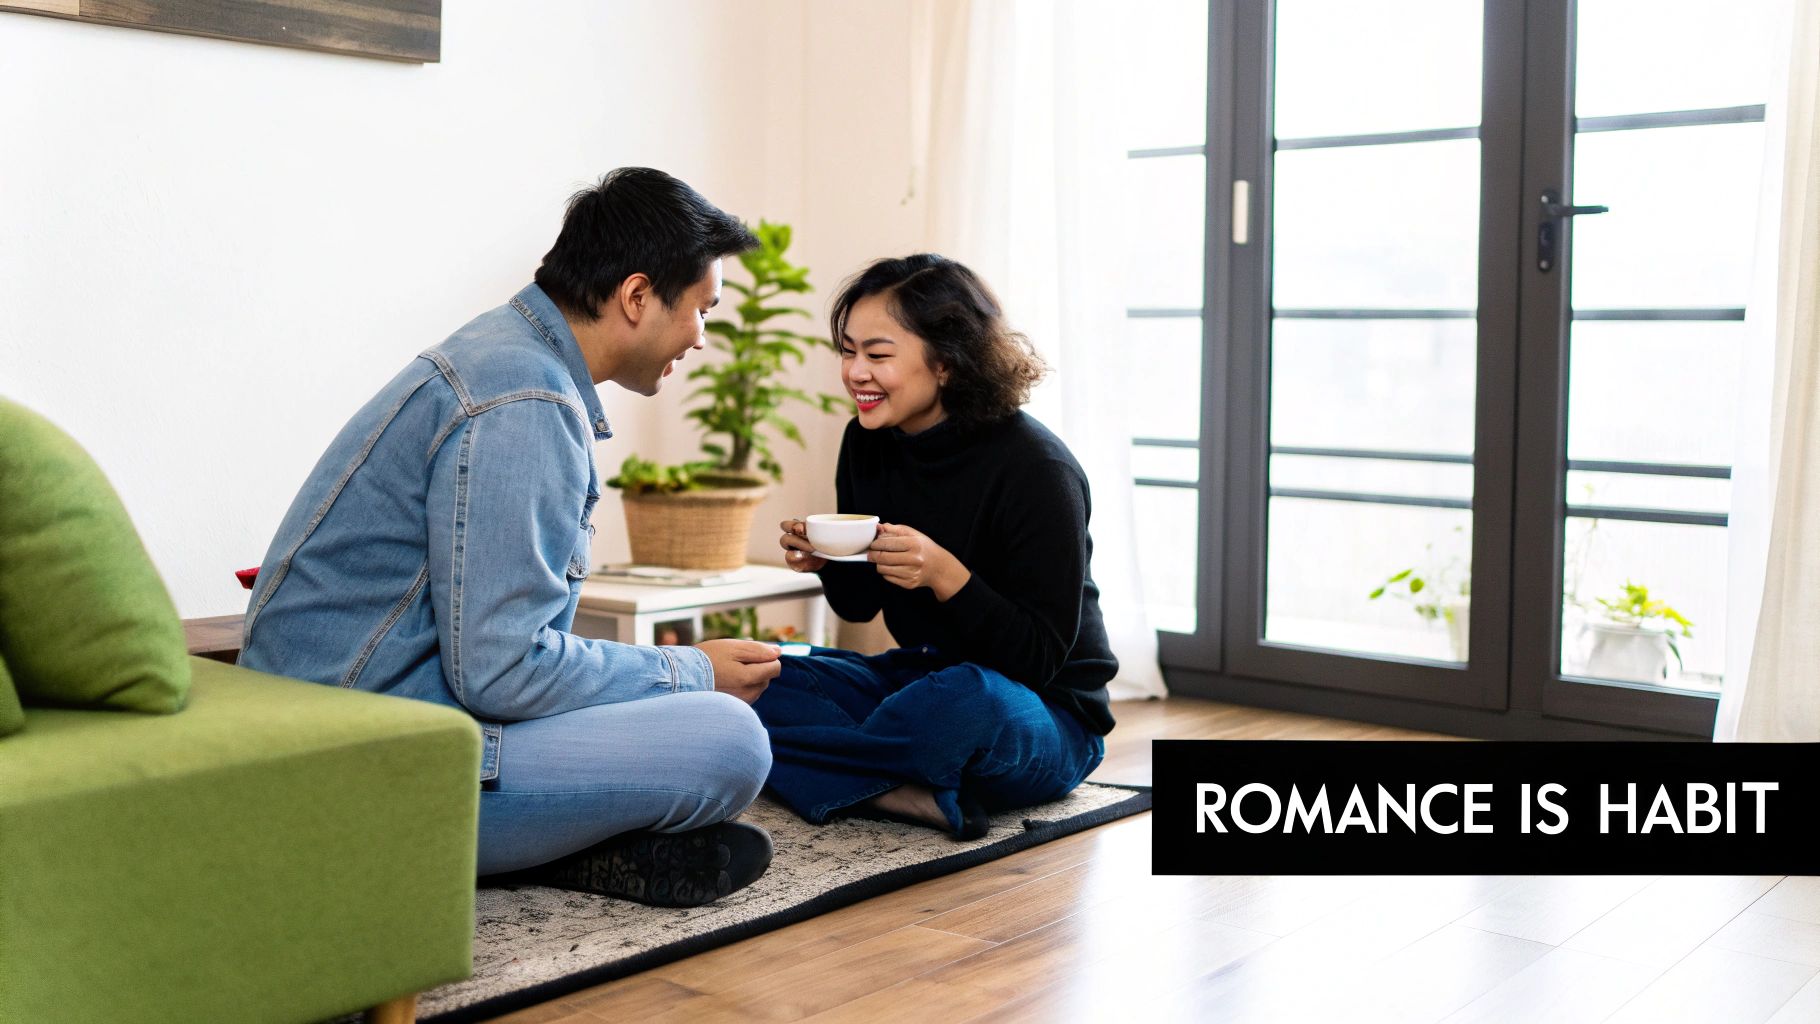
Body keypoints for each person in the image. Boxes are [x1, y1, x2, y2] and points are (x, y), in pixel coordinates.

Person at [240, 168, 782, 906]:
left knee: (669, 710)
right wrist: (690, 670)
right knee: (729, 739)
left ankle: (569, 844)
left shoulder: (505, 356)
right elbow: (501, 671)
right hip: (353, 757)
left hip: (356, 716)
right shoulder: (523, 399)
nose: (701, 336)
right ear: (635, 296)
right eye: (700, 310)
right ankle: (547, 849)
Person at [767, 254, 1116, 839]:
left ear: (947, 362)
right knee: (759, 677)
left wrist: (946, 576)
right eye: (848, 351)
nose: (855, 372)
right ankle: (904, 792)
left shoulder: (1038, 468)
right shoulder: (866, 441)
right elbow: (857, 607)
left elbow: (1037, 660)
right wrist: (831, 560)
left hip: (1041, 713)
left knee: (962, 702)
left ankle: (816, 767)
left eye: (877, 355)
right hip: (924, 677)